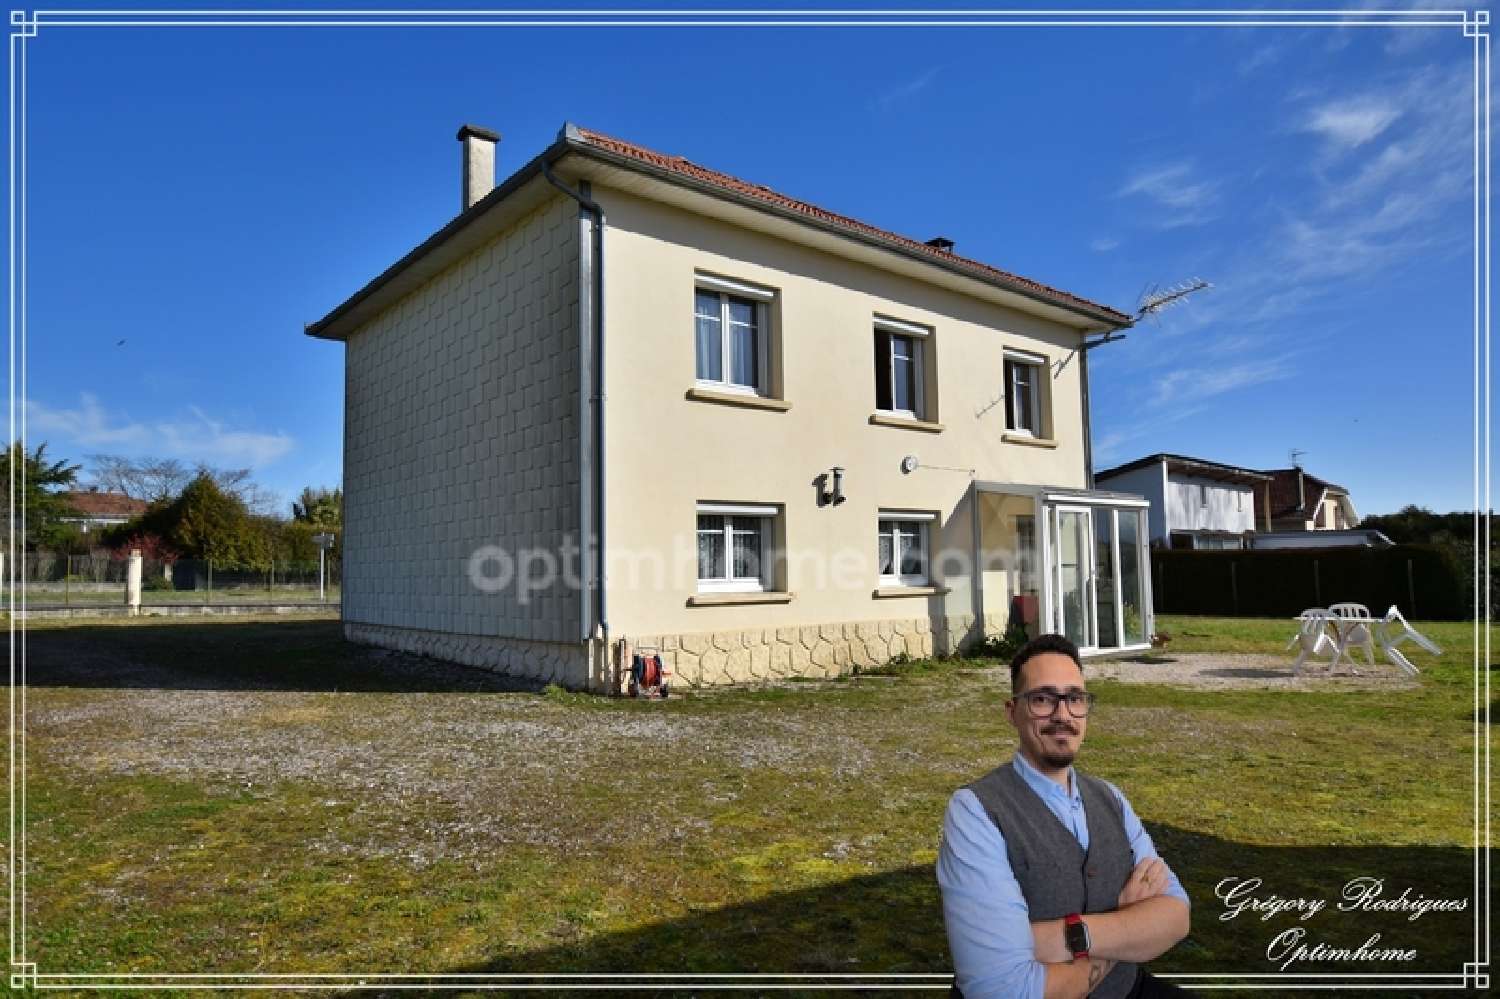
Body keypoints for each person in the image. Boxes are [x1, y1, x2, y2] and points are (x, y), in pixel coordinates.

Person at [936, 633, 1192, 999]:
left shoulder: (1111, 798)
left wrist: (1062, 939)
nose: (1062, 715)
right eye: (1042, 699)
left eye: (1074, 698)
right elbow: (1005, 990)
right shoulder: (975, 811)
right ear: (1012, 712)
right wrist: (1126, 919)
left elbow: (1176, 915)